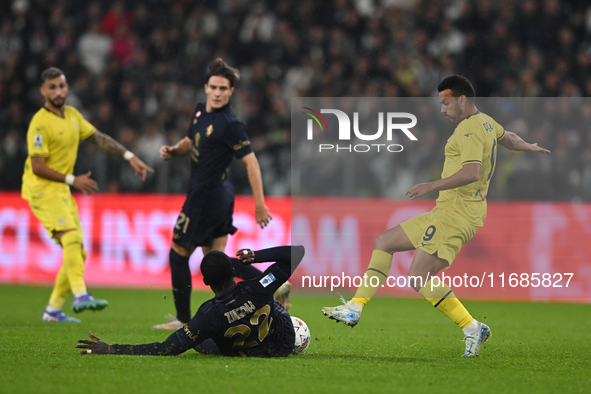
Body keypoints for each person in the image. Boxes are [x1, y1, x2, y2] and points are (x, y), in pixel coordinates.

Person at [322, 75, 550, 357]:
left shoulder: (468, 129)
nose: (442, 109)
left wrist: (430, 186)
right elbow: (508, 138)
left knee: (418, 275)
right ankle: (355, 308)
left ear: (462, 100)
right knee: (384, 241)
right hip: (447, 210)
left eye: (446, 103)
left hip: (458, 213)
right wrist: (526, 145)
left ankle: (471, 327)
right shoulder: (487, 122)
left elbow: (471, 172)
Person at [23, 67, 154, 323]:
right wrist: (74, 180)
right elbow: (38, 166)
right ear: (43, 91)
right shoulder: (39, 123)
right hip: (41, 189)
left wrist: (130, 157)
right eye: (52, 87)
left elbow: (99, 138)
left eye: (61, 86)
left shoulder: (72, 115)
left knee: (78, 251)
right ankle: (81, 295)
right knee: (71, 238)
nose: (58, 91)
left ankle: (52, 311)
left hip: (61, 190)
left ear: (67, 87)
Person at [153, 58, 274, 330]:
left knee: (178, 254)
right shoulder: (200, 113)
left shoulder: (231, 124)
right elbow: (190, 141)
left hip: (206, 196)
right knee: (216, 263)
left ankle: (183, 319)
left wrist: (259, 205)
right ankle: (272, 284)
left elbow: (251, 162)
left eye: (223, 88)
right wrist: (174, 150)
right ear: (206, 88)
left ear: (231, 91)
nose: (218, 93)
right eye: (214, 87)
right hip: (217, 194)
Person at [76, 245, 305, 357]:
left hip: (240, 349)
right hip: (277, 347)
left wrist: (112, 349)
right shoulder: (259, 286)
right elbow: (297, 252)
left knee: (196, 338)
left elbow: (166, 348)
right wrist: (257, 256)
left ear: (205, 281)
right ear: (235, 270)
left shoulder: (208, 314)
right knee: (273, 305)